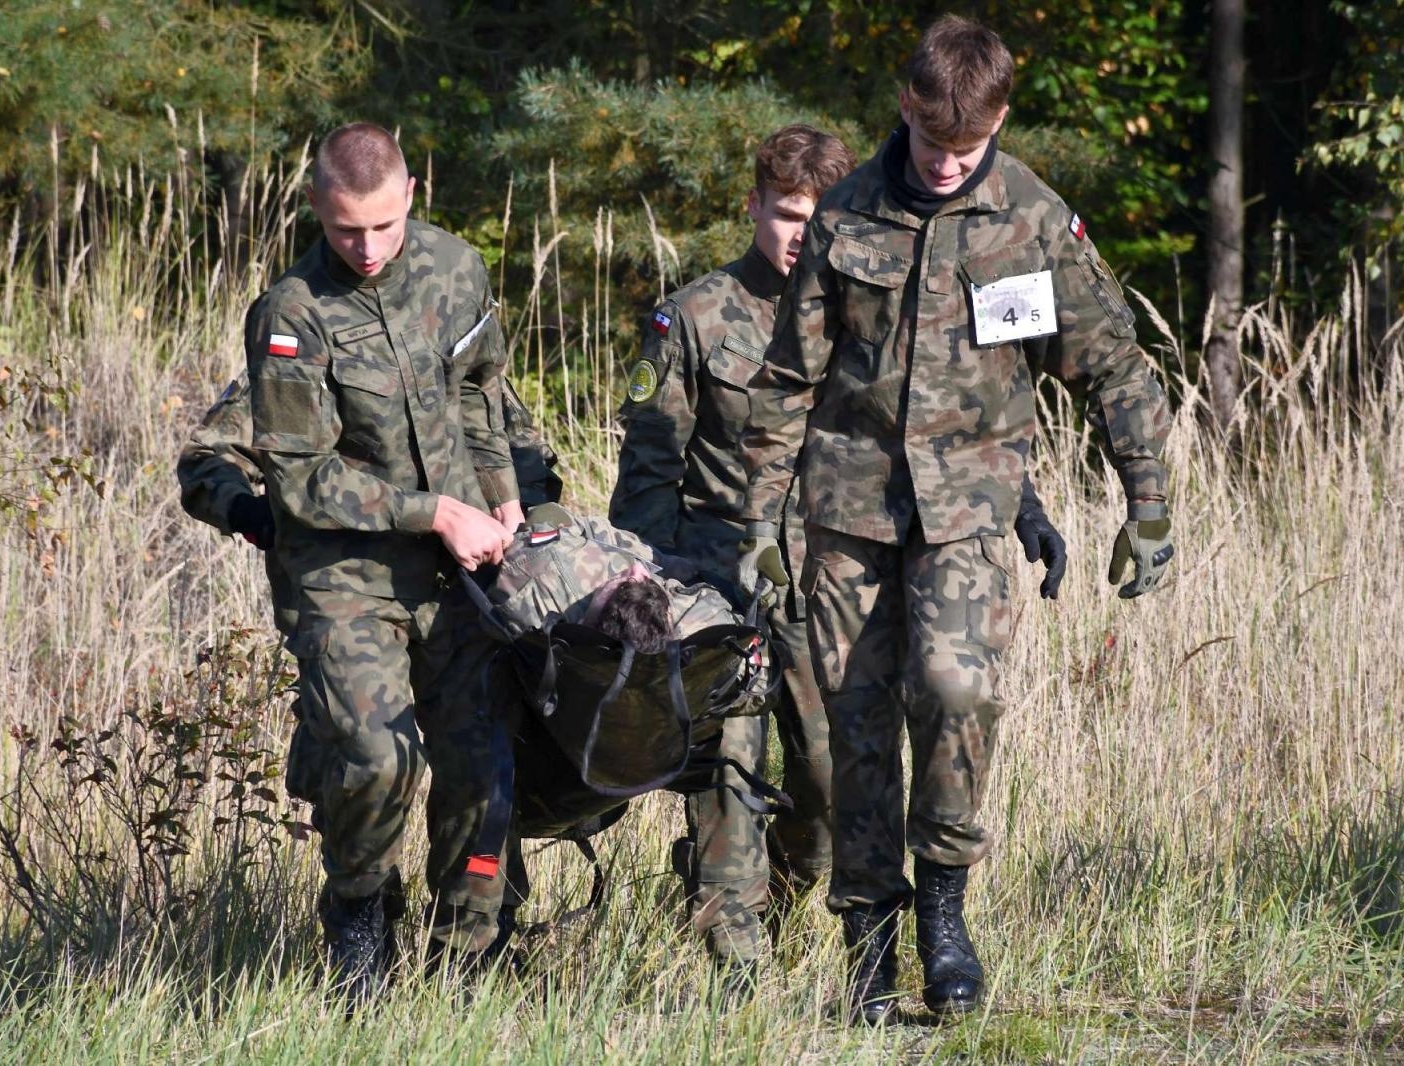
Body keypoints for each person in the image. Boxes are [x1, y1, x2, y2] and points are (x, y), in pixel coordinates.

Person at [734, 16, 1174, 1024]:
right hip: (845, 515)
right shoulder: (844, 218)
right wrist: (760, 522)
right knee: (847, 736)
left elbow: (1108, 362)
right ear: (904, 108)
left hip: (969, 510)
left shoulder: (1032, 218)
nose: (944, 166)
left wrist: (1146, 500)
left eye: (966, 150)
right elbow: (787, 381)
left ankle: (943, 912)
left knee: (955, 689)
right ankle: (868, 948)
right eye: (932, 144)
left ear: (1000, 121)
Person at [242, 121, 521, 1007]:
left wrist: (502, 492)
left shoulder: (456, 268)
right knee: (375, 757)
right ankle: (360, 913)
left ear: (410, 196)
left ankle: (468, 954)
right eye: (344, 231)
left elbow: (482, 391)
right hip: (346, 573)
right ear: (318, 211)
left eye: (382, 227)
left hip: (458, 570)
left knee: (484, 769)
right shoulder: (292, 313)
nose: (365, 249)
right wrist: (434, 510)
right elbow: (299, 481)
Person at [608, 125, 855, 978]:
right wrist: (665, 594)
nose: (800, 235)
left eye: (817, 219)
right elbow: (644, 478)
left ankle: (782, 898)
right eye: (787, 214)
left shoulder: (863, 318)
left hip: (825, 578)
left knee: (826, 778)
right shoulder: (695, 316)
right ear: (753, 205)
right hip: (719, 579)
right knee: (728, 769)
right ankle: (733, 955)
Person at [420, 505, 766, 987]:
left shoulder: (548, 579)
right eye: (632, 577)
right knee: (479, 739)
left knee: (732, 747)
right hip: (545, 758)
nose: (635, 570)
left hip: (643, 746)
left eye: (632, 577)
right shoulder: (546, 583)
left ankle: (735, 948)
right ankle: (472, 946)